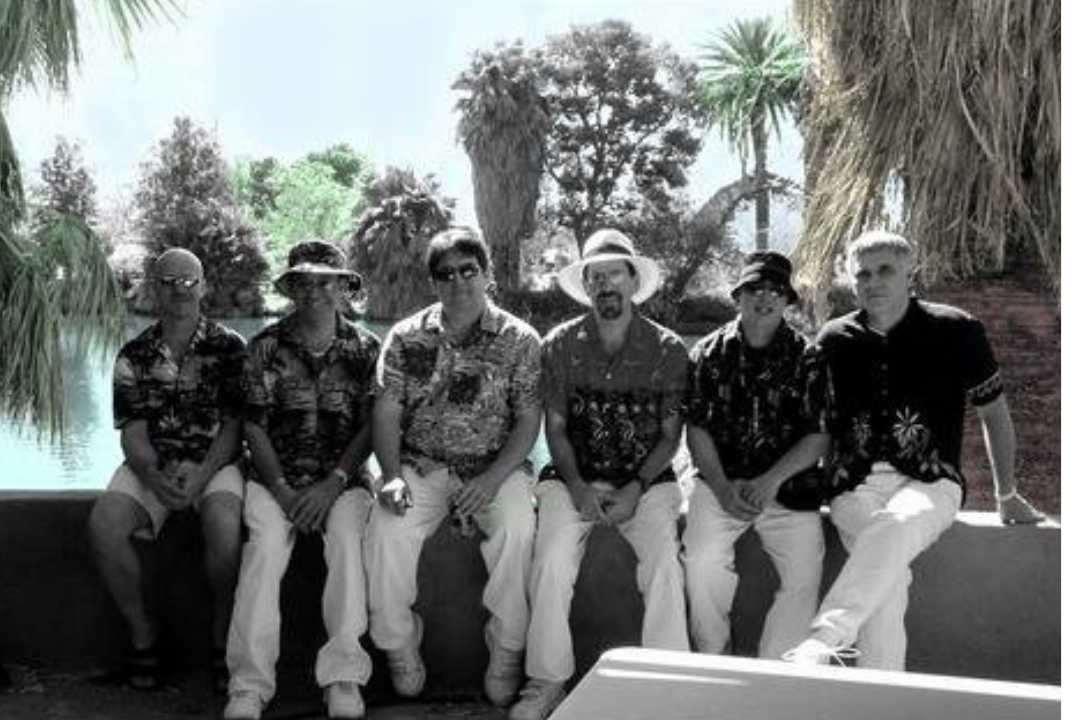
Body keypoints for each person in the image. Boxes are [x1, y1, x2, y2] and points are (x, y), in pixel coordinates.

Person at [783, 230, 1046, 670]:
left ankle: (824, 636)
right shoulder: (833, 340)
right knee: (888, 584)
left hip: (932, 482)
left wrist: (1006, 495)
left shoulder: (957, 330)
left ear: (911, 273)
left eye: (885, 270)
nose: (873, 282)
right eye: (862, 273)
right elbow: (815, 425)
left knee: (897, 523)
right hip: (852, 486)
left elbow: (994, 413)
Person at [508, 229, 690, 720]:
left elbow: (671, 436)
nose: (606, 283)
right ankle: (547, 682)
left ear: (633, 281)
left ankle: (668, 686)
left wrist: (635, 487)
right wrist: (577, 487)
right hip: (573, 478)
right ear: (586, 285)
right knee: (548, 562)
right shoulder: (559, 345)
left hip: (646, 481)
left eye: (615, 273)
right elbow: (557, 427)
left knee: (665, 567)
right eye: (596, 275)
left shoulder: (668, 348)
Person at [365, 226, 541, 708]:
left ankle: (505, 649)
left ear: (488, 276)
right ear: (433, 282)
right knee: (385, 530)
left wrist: (491, 480)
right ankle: (399, 643)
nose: (459, 281)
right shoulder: (404, 337)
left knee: (517, 528)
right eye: (446, 273)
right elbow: (387, 412)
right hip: (421, 466)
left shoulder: (520, 340)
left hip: (494, 467)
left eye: (469, 270)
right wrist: (393, 474)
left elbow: (529, 420)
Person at [223, 241, 380, 720]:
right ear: (291, 288)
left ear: (342, 287)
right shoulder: (265, 347)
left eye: (325, 280)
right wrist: (285, 492)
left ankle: (344, 678)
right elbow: (253, 426)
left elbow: (374, 426)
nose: (314, 290)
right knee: (265, 548)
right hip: (276, 481)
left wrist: (334, 481)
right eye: (304, 281)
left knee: (350, 543)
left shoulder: (366, 348)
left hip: (344, 480)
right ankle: (249, 685)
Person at [88, 248, 246, 692]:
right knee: (103, 525)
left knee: (224, 523)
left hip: (215, 463)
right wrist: (154, 474)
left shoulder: (232, 348)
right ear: (154, 288)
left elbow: (235, 429)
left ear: (205, 286)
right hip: (152, 464)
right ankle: (144, 637)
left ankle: (221, 637)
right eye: (169, 282)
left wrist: (199, 474)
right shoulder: (133, 354)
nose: (180, 290)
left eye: (189, 281)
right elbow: (132, 431)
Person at [683, 251, 830, 660]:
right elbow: (696, 429)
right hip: (720, 483)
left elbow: (819, 437)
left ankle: (777, 669)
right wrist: (722, 488)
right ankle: (714, 651)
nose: (764, 297)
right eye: (754, 289)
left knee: (803, 576)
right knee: (700, 557)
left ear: (786, 300)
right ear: (738, 296)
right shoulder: (708, 354)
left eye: (775, 290)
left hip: (788, 487)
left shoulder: (809, 358)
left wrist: (770, 481)